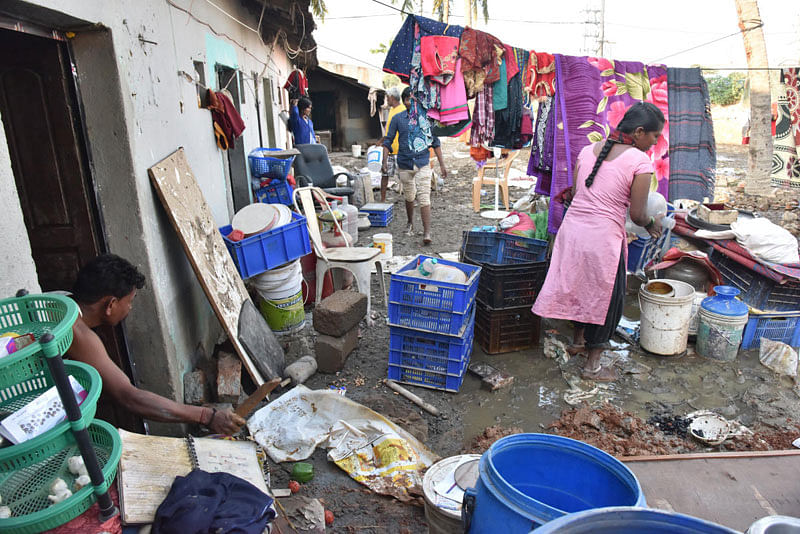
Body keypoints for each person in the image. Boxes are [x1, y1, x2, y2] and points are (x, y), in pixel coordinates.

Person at [533, 102, 665, 382]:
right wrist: (653, 225)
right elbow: (639, 214)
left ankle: (578, 341)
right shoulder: (640, 162)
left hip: (573, 233)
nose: (655, 142)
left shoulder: (586, 151)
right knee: (608, 299)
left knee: (580, 287)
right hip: (602, 239)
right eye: (654, 136)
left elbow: (581, 193)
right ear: (640, 132)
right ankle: (592, 367)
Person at [67, 254, 246, 434]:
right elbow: (129, 397)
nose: (130, 308)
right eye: (129, 302)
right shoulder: (77, 332)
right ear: (111, 304)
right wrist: (206, 416)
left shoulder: (61, 300)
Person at [381, 87, 447, 245]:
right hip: (404, 164)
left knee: (424, 197)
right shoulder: (397, 119)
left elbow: (435, 143)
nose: (411, 102)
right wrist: (384, 162)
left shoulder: (427, 119)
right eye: (408, 99)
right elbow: (387, 141)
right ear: (404, 101)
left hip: (423, 163)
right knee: (409, 196)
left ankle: (427, 232)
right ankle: (410, 223)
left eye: (414, 99)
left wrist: (442, 165)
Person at [380, 86, 405, 202]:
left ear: (391, 97)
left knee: (406, 177)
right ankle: (383, 199)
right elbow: (390, 131)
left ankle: (410, 199)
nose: (387, 100)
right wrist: (381, 141)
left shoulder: (403, 110)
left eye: (387, 98)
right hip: (389, 150)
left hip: (401, 150)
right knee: (384, 174)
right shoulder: (391, 110)